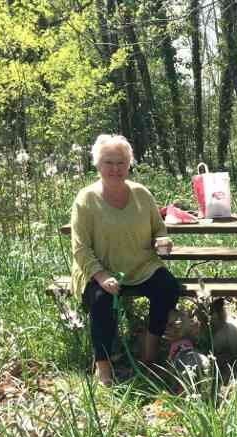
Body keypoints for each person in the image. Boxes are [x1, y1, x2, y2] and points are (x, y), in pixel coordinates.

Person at [70, 134, 181, 385]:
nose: (115, 168)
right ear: (97, 165)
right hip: (100, 269)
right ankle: (104, 365)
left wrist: (162, 242)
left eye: (121, 162)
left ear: (129, 163)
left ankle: (149, 350)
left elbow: (159, 230)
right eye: (109, 162)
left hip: (141, 266)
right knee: (100, 301)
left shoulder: (142, 194)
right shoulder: (85, 200)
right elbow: (80, 248)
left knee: (168, 287)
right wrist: (101, 276)